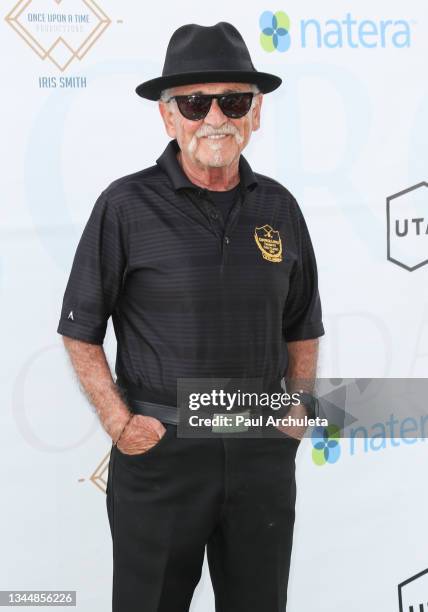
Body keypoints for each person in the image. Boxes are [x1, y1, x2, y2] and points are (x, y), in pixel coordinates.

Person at [57, 21, 325, 612]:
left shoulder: (280, 206)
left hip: (260, 445)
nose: (214, 118)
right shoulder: (124, 205)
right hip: (162, 453)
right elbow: (80, 331)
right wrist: (119, 424)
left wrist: (298, 405)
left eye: (232, 101)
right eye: (194, 102)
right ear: (167, 116)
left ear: (255, 114)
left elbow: (303, 325)